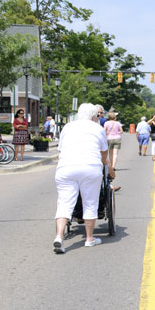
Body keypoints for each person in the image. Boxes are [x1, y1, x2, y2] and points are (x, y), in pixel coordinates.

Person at [53, 102, 113, 252]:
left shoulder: (67, 127)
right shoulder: (97, 128)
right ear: (94, 116)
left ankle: (59, 236)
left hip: (66, 167)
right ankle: (89, 238)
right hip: (90, 167)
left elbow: (60, 149)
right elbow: (104, 153)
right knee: (90, 203)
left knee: (64, 203)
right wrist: (102, 163)